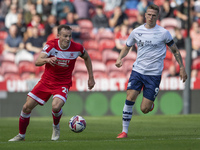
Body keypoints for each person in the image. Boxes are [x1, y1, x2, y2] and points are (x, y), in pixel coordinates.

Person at [8, 24, 95, 141]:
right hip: (46, 82)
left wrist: (91, 77)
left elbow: (87, 58)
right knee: (26, 107)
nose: (68, 39)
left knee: (55, 106)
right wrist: (47, 59)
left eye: (69, 36)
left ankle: (56, 126)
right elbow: (37, 61)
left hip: (62, 83)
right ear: (58, 35)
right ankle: (21, 135)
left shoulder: (77, 48)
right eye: (65, 36)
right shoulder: (51, 45)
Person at [115, 4, 187, 139]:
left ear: (157, 16)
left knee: (144, 109)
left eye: (154, 15)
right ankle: (124, 131)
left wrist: (182, 67)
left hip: (154, 75)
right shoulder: (136, 31)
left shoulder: (164, 33)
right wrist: (120, 58)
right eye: (149, 14)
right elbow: (126, 47)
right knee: (130, 97)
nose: (151, 17)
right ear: (145, 15)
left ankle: (150, 104)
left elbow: (175, 50)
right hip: (138, 71)